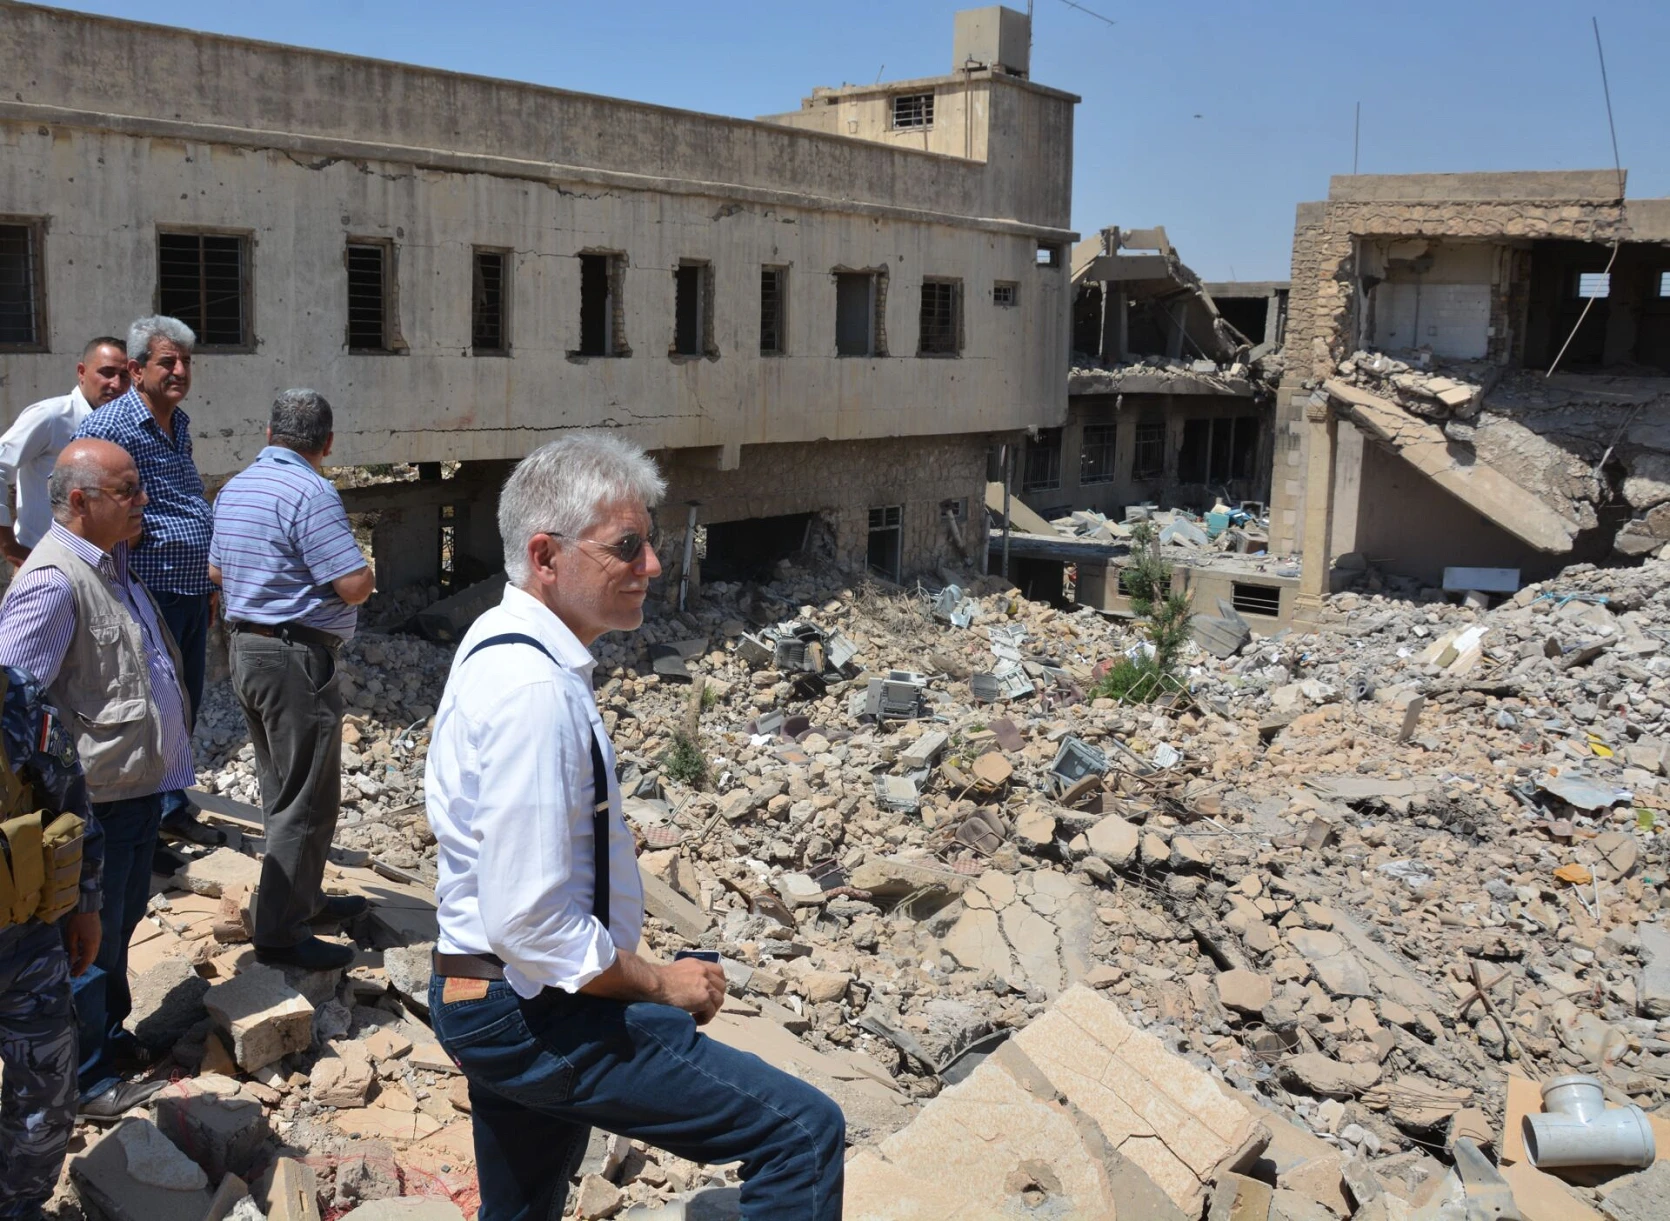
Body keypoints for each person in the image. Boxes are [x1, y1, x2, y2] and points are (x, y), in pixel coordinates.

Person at [424, 433, 844, 1221]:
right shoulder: (532, 692)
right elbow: (532, 923)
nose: (651, 565)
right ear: (546, 556)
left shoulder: (503, 642)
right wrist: (661, 982)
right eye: (627, 546)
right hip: (530, 1010)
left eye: (648, 542)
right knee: (802, 1131)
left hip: (492, 994)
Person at [0, 440, 192, 1118]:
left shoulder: (113, 565)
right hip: (94, 805)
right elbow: (13, 707)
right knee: (83, 943)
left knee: (117, 928)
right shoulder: (54, 580)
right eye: (128, 490)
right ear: (79, 501)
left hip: (134, 794)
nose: (143, 500)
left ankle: (106, 1041)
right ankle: (84, 1078)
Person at [209, 390, 374, 972]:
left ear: (270, 430)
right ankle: (281, 933)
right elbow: (352, 584)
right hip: (294, 656)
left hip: (248, 651)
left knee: (283, 789)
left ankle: (303, 900)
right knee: (306, 798)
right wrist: (365, 573)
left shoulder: (236, 486)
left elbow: (216, 570)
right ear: (327, 443)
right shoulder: (311, 491)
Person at [73, 316, 223, 857]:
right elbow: (82, 501)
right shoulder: (112, 427)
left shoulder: (176, 423)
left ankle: (170, 809)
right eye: (167, 362)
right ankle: (141, 826)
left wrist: (205, 579)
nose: (180, 370)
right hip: (142, 592)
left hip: (186, 591)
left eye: (185, 361)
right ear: (137, 370)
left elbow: (184, 501)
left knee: (182, 705)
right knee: (146, 709)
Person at [0, 663, 104, 1219]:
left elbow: (72, 803)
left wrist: (86, 905)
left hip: (23, 945)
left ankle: (16, 1207)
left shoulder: (12, 698)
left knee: (46, 1100)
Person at [0, 336, 130, 568]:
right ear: (82, 372)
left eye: (124, 375)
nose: (116, 384)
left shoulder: (126, 425)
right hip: (47, 563)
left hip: (105, 566)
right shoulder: (51, 417)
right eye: (107, 372)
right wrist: (8, 545)